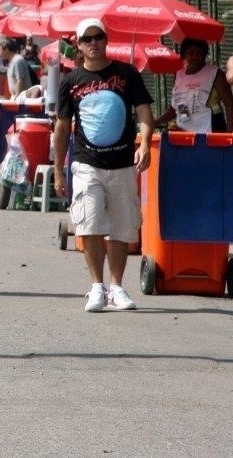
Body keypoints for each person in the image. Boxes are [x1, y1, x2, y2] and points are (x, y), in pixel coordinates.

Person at [52, 18, 154, 313]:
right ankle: (97, 286)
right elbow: (62, 127)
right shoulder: (70, 82)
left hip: (122, 163)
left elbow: (144, 112)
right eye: (87, 39)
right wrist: (59, 169)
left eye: (98, 37)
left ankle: (117, 287)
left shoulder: (126, 73)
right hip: (87, 164)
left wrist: (144, 144)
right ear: (79, 45)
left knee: (122, 228)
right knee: (90, 223)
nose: (93, 43)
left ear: (106, 40)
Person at [154, 38, 233, 133]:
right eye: (190, 53)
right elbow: (176, 107)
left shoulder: (215, 73)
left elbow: (229, 105)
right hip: (184, 133)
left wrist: (230, 133)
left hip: (210, 131)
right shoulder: (179, 74)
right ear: (183, 55)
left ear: (204, 55)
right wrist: (155, 122)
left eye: (199, 53)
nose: (195, 56)